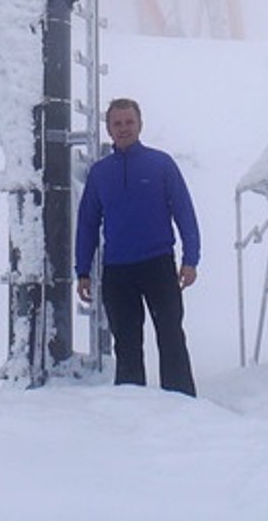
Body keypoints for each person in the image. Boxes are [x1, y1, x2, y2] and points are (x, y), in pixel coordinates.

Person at [75, 97, 200, 396]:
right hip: (118, 271)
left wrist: (190, 259)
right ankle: (132, 412)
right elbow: (88, 223)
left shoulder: (161, 164)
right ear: (108, 128)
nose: (123, 128)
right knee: (127, 344)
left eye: (129, 122)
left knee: (170, 337)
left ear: (140, 124)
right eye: (117, 123)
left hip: (158, 264)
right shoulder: (100, 173)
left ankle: (183, 404)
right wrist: (82, 271)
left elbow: (184, 212)